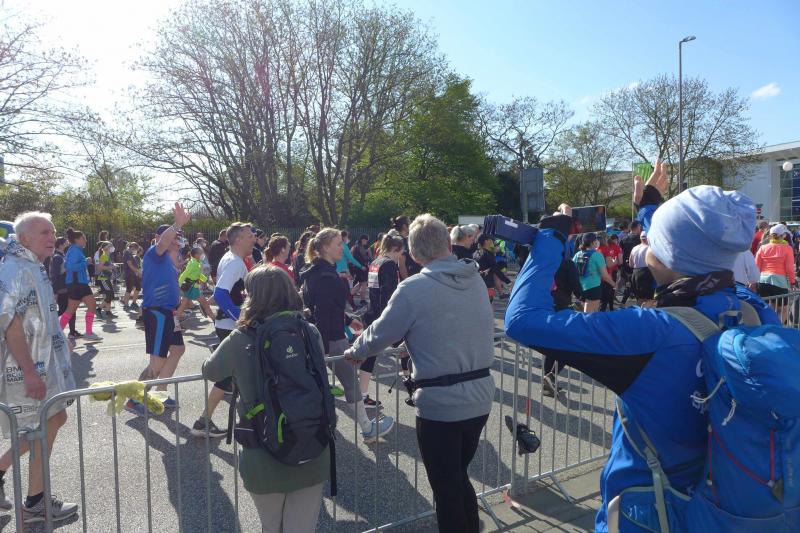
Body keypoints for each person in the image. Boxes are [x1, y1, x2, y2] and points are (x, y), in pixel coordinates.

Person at [505, 161, 780, 532]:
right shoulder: (753, 310)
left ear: (666, 254)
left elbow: (522, 321)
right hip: (727, 500)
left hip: (650, 513)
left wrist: (551, 238)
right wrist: (650, 207)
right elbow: (690, 249)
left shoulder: (648, 331)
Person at [344, 214, 494, 533]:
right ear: (447, 244)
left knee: (447, 490)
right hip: (480, 396)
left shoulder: (414, 287)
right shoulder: (474, 279)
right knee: (457, 477)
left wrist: (356, 350)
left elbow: (381, 333)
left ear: (413, 253)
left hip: (442, 403)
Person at [202, 265, 329, 533]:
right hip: (312, 445)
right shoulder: (309, 331)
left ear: (252, 297)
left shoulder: (240, 338)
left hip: (263, 452)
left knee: (270, 527)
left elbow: (211, 371)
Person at [0, 212, 78, 523]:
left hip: (42, 364)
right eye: (45, 232)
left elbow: (38, 315)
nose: (52, 237)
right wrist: (29, 372)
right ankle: (35, 502)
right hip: (25, 369)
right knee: (45, 424)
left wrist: (60, 339)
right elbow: (9, 323)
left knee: (53, 419)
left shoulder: (33, 264)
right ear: (24, 239)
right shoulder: (15, 268)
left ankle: (32, 497)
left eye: (53, 231)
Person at [300, 228, 393, 443]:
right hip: (331, 339)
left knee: (334, 385)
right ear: (325, 248)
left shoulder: (317, 271)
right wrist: (323, 350)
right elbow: (322, 313)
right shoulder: (325, 276)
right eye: (337, 244)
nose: (342, 247)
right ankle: (367, 429)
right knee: (351, 383)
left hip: (324, 336)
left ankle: (326, 431)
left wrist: (348, 320)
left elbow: (327, 307)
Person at [125, 204, 190, 417]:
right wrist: (177, 224)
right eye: (173, 236)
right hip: (158, 312)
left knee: (178, 350)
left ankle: (160, 394)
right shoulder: (155, 253)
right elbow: (162, 243)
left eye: (178, 237)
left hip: (169, 312)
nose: (176, 240)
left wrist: (180, 305)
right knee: (157, 361)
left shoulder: (169, 260)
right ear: (159, 237)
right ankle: (134, 400)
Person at [190, 222, 254, 436]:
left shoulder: (232, 259)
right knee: (230, 377)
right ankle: (203, 422)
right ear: (238, 239)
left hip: (226, 325)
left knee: (236, 377)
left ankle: (243, 420)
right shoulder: (235, 262)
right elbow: (220, 294)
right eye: (250, 236)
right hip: (230, 326)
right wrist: (242, 319)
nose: (254, 239)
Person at [358, 234, 404, 408]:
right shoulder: (390, 264)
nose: (401, 256)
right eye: (401, 252)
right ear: (396, 249)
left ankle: (362, 394)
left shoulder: (375, 262)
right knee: (408, 347)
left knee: (370, 355)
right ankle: (415, 385)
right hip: (383, 315)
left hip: (372, 313)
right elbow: (388, 294)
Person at [60, 229, 102, 341]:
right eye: (84, 238)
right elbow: (70, 267)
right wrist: (86, 262)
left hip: (77, 283)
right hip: (77, 283)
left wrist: (84, 262)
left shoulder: (75, 250)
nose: (86, 240)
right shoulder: (75, 251)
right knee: (89, 306)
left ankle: (57, 334)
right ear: (77, 239)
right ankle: (87, 333)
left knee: (73, 309)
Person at [572, 232, 614, 313]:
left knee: (590, 311)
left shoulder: (578, 254)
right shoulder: (597, 255)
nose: (597, 242)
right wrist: (614, 284)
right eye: (596, 240)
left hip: (581, 288)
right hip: (593, 287)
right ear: (592, 243)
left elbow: (572, 270)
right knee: (589, 314)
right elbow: (604, 275)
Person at [754, 223, 796, 300]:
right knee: (782, 307)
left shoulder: (762, 248)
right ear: (783, 236)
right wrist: (792, 282)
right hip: (780, 281)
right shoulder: (788, 249)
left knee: (766, 306)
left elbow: (756, 266)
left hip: (763, 280)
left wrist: (754, 281)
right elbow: (789, 268)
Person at [50, 237, 79, 340]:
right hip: (62, 289)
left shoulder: (62, 256)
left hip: (67, 288)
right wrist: (55, 291)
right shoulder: (57, 257)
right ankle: (49, 326)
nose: (68, 244)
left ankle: (72, 332)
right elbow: (55, 276)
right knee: (64, 310)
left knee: (70, 310)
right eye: (66, 243)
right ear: (61, 245)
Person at [177, 247, 214, 319]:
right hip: (192, 288)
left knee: (183, 305)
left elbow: (198, 275)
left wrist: (207, 280)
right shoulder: (193, 264)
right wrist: (178, 284)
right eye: (201, 253)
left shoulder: (196, 263)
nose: (203, 255)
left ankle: (176, 319)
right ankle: (214, 319)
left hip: (191, 287)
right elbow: (185, 273)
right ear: (196, 255)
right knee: (205, 304)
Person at [473, 234, 511, 302]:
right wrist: (508, 282)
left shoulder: (477, 253)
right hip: (487, 284)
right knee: (488, 304)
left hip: (477, 283)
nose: (492, 241)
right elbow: (496, 270)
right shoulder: (487, 254)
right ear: (486, 241)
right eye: (490, 240)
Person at [628, 230, 656, 303]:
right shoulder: (650, 248)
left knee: (639, 298)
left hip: (635, 273)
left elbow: (630, 264)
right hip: (646, 273)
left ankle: (640, 309)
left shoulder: (634, 248)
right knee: (648, 299)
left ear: (640, 239)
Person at [598, 233, 622, 311]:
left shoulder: (595, 249)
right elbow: (609, 264)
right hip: (606, 277)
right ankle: (609, 311)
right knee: (604, 300)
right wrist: (615, 261)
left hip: (595, 278)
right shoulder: (606, 249)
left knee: (597, 301)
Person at [95, 241, 117, 319]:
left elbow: (107, 266)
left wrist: (112, 267)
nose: (112, 247)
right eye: (110, 246)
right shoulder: (104, 256)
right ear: (106, 248)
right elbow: (99, 267)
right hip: (103, 278)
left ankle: (108, 311)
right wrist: (110, 267)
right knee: (110, 295)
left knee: (110, 295)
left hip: (107, 278)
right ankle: (98, 309)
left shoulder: (107, 256)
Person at [350, 234, 372, 307]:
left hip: (358, 268)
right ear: (363, 240)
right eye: (366, 240)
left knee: (360, 284)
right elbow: (363, 258)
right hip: (362, 268)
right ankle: (362, 300)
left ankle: (350, 295)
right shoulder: (360, 248)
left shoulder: (356, 247)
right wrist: (368, 254)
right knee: (364, 284)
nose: (367, 242)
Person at [121, 242, 143, 312]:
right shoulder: (127, 253)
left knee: (138, 287)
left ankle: (133, 303)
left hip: (134, 274)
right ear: (133, 248)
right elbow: (130, 265)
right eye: (136, 249)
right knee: (129, 289)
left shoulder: (129, 253)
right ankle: (126, 305)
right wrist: (138, 271)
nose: (136, 251)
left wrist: (137, 272)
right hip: (129, 274)